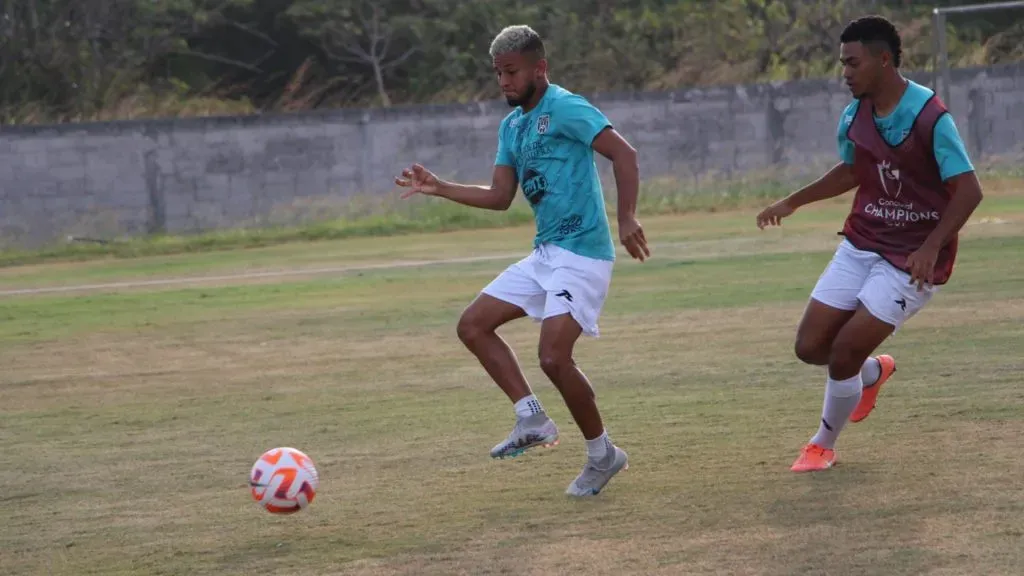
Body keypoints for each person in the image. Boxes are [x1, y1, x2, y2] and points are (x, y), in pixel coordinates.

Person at [394, 24, 649, 496]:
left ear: (539, 68)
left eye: (511, 72)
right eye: (498, 74)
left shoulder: (566, 107)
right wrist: (439, 187)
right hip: (546, 253)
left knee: (553, 357)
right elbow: (499, 196)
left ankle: (603, 455)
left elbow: (624, 154)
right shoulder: (511, 126)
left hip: (583, 254)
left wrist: (627, 217)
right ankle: (531, 419)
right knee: (473, 325)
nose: (504, 82)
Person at [756, 15, 984, 472]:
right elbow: (851, 171)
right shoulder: (854, 115)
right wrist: (792, 202)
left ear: (883, 60)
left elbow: (969, 191)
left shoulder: (929, 117)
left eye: (853, 63)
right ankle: (873, 372)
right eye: (843, 63)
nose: (845, 72)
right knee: (809, 347)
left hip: (911, 259)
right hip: (863, 241)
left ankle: (821, 446)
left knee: (843, 353)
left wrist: (931, 247)